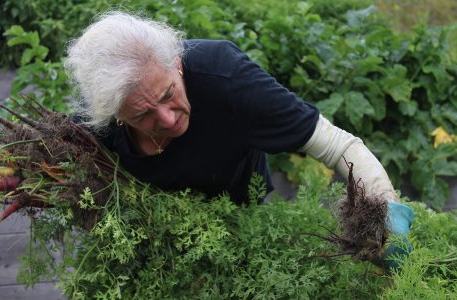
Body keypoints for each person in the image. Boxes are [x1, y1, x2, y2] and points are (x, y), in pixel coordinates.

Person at [65, 11, 413, 270]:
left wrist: (383, 208)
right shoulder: (98, 120)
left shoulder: (227, 78)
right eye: (143, 116)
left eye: (168, 93)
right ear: (118, 117)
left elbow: (340, 146)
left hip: (240, 212)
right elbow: (63, 170)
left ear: (178, 66)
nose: (168, 119)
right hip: (152, 236)